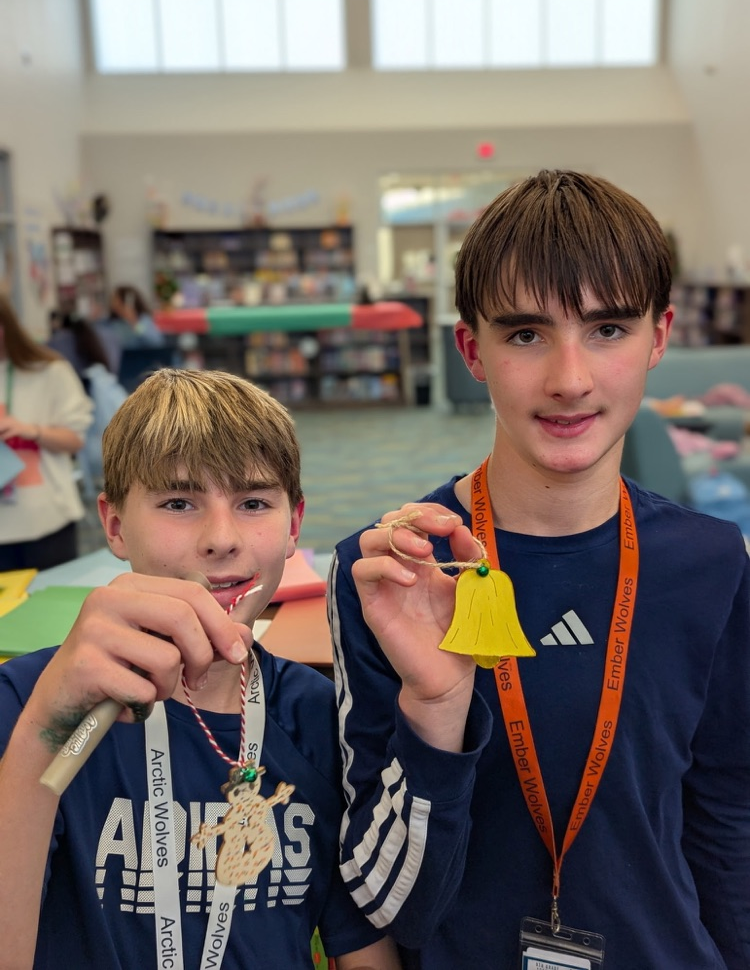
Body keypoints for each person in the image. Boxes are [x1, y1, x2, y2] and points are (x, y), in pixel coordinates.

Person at [329, 170, 750, 969]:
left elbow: (727, 821)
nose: (569, 378)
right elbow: (389, 907)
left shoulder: (712, 563)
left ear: (659, 337)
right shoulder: (391, 573)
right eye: (525, 334)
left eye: (608, 329)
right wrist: (435, 706)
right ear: (471, 350)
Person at [0, 368, 400, 970]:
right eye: (179, 502)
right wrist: (44, 732)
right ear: (113, 524)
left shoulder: (318, 714)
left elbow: (362, 947)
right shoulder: (30, 701)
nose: (221, 538)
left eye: (254, 503)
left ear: (292, 526)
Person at [0, 291, 93, 570]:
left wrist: (32, 431)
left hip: (47, 520)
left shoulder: (51, 371)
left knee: (52, 608)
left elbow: (75, 440)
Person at [109, 283, 166, 350]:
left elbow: (156, 343)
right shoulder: (114, 323)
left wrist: (135, 324)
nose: (113, 303)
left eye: (116, 299)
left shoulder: (144, 320)